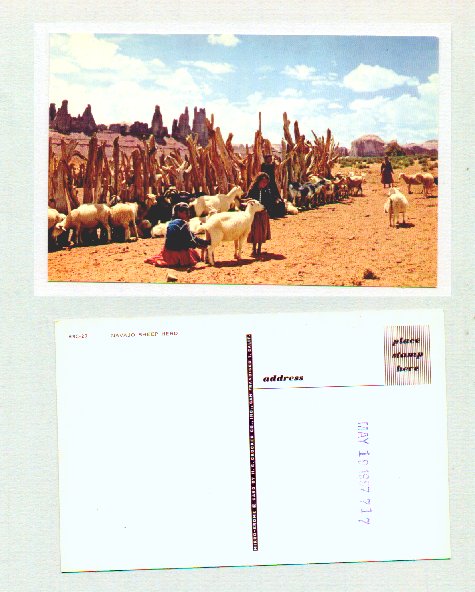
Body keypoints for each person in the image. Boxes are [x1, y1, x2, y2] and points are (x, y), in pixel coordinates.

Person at [144, 202, 209, 268]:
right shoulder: (183, 224)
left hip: (167, 253)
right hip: (177, 255)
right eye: (185, 212)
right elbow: (193, 239)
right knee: (193, 253)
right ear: (179, 213)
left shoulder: (171, 223)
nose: (188, 214)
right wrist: (205, 243)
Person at [245, 172, 272, 258]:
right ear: (258, 181)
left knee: (262, 231)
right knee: (254, 231)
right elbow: (248, 199)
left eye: (266, 183)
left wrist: (266, 209)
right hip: (254, 214)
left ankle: (259, 248)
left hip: (263, 213)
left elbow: (268, 201)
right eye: (263, 182)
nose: (264, 184)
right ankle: (253, 249)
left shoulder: (266, 190)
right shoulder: (252, 190)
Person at [260, 154, 286, 218]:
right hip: (265, 183)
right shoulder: (263, 165)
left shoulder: (272, 165)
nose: (270, 159)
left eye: (270, 158)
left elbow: (277, 164)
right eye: (269, 158)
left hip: (272, 183)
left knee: (275, 197)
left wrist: (275, 158)